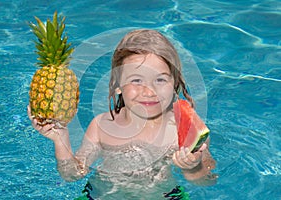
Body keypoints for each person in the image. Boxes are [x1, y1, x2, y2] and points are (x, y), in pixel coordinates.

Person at [28, 29, 217, 196]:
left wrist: (194, 167)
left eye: (160, 80)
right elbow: (73, 174)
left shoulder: (182, 129)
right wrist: (61, 138)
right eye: (136, 80)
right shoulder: (102, 126)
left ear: (174, 84)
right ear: (117, 84)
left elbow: (208, 180)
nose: (149, 91)